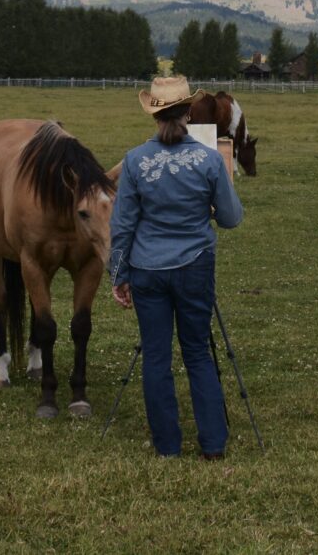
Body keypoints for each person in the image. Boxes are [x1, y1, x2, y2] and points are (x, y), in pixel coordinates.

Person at [110, 75, 244, 459]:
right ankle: (213, 443)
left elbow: (121, 226)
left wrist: (118, 275)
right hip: (194, 267)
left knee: (155, 356)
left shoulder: (134, 161)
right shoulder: (208, 160)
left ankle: (167, 445)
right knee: (197, 352)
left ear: (153, 116)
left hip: (146, 270)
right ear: (189, 112)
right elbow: (232, 218)